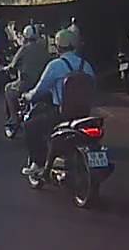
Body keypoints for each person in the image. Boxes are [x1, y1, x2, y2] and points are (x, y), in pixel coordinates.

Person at [20, 28, 96, 177]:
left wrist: (27, 96)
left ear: (58, 46)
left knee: (30, 125)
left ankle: (37, 164)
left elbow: (39, 91)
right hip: (84, 114)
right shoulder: (86, 65)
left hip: (62, 114)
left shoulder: (55, 65)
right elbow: (93, 87)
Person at [4, 25, 50, 129]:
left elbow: (12, 66)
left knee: (8, 89)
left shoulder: (23, 49)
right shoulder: (43, 50)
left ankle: (13, 118)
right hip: (41, 84)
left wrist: (7, 68)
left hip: (26, 84)